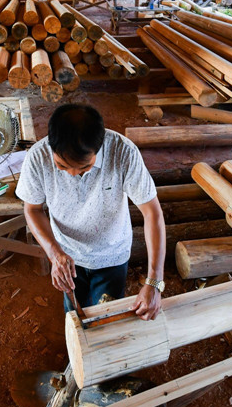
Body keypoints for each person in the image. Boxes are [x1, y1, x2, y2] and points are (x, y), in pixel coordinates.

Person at [16, 104, 166, 320]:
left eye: (84, 167)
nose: (72, 174)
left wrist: (154, 281)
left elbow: (152, 213)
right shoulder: (37, 157)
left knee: (106, 320)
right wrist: (55, 254)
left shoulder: (123, 152)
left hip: (112, 256)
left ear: (100, 147)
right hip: (66, 256)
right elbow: (32, 209)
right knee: (75, 319)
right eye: (61, 166)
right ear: (51, 146)